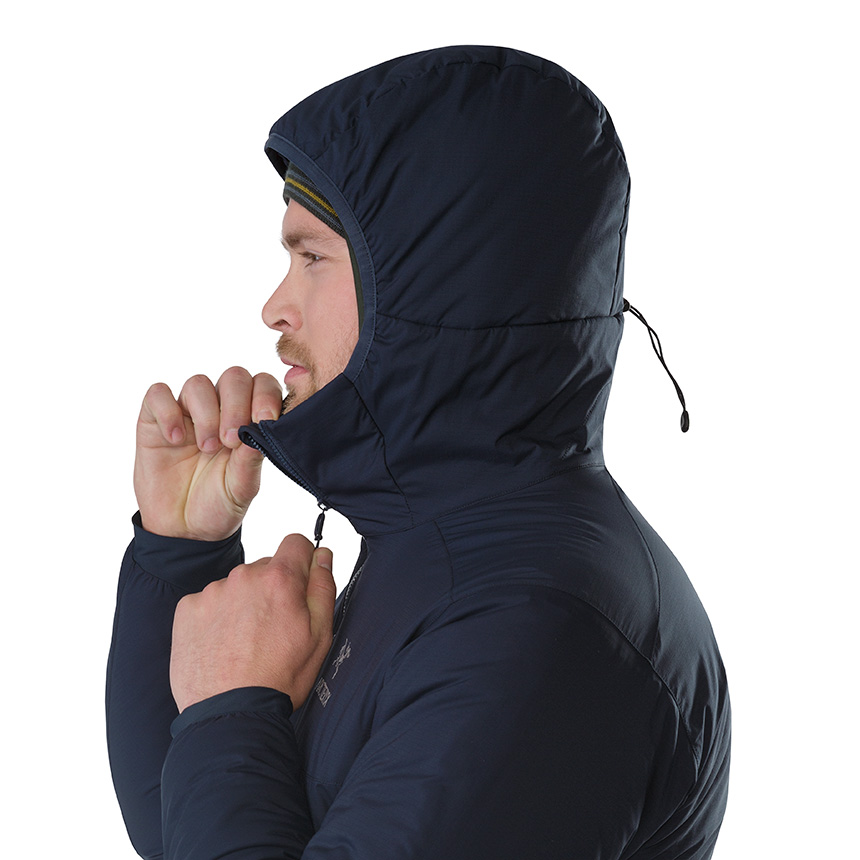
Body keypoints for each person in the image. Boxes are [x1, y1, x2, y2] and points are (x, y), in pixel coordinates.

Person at [106, 45, 731, 859]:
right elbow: (183, 827)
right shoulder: (442, 554)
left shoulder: (539, 630)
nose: (274, 306)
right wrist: (181, 552)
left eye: (312, 257)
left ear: (435, 291)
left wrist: (231, 707)